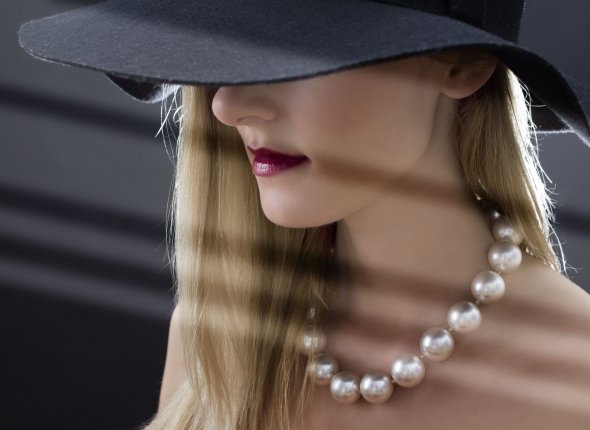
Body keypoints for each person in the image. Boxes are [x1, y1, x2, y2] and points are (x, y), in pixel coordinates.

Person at [18, 1, 590, 429]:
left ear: (462, 65)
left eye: (298, 47)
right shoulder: (211, 338)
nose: (227, 104)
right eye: (221, 48)